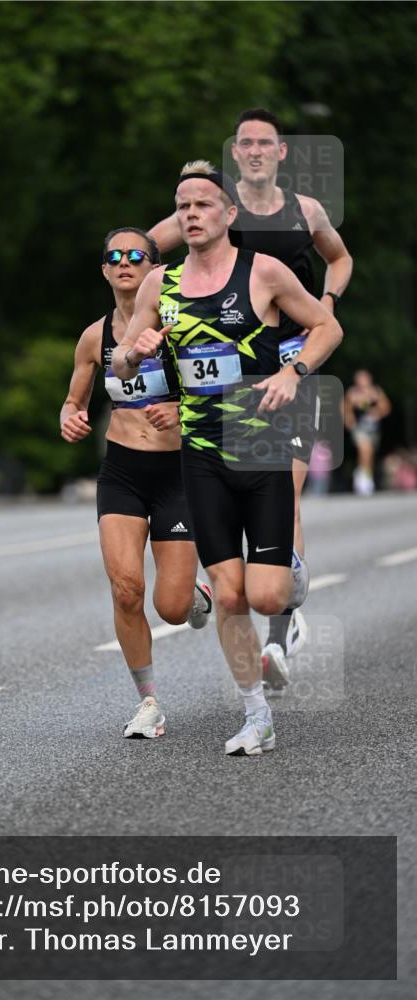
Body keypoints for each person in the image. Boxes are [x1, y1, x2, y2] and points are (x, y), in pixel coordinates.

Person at [112, 163, 342, 755]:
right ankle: (256, 714)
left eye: (203, 205)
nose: (191, 214)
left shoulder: (263, 271)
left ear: (229, 214)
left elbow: (326, 329)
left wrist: (293, 373)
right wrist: (133, 356)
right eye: (182, 205)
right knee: (229, 592)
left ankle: (290, 569)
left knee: (266, 595)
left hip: (258, 441)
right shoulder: (157, 286)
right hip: (201, 452)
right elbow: (121, 367)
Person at [149, 109, 353, 690]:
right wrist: (157, 310)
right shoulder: (211, 205)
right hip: (222, 378)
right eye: (247, 143)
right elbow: (145, 251)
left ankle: (280, 632)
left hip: (290, 364)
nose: (257, 150)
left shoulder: (306, 211)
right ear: (235, 153)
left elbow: (339, 258)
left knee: (282, 486)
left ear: (282, 152)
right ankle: (235, 581)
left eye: (267, 142)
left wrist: (329, 301)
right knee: (226, 482)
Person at [60, 227, 211, 739]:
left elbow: (226, 396)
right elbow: (74, 401)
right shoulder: (94, 336)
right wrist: (70, 417)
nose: (125, 263)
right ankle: (148, 702)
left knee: (171, 608)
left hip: (179, 473)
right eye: (114, 256)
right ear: (104, 269)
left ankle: (196, 596)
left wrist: (182, 408)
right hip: (122, 470)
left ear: (154, 267)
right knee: (126, 589)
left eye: (136, 256)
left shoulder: (180, 329)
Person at [343, 369, 391, 495]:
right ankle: (364, 480)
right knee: (365, 449)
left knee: (369, 454)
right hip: (359, 428)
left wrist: (377, 413)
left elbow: (386, 407)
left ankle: (363, 474)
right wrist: (349, 421)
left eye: (364, 379)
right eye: (359, 379)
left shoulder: (376, 392)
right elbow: (345, 409)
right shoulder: (352, 393)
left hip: (373, 428)